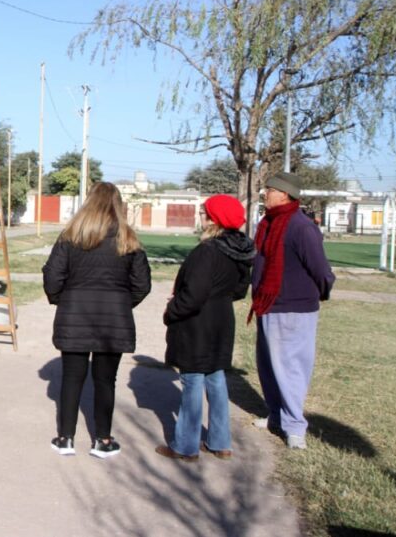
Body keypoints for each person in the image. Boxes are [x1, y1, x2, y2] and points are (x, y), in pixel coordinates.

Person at [42, 182, 152, 458]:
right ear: (118, 204)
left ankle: (65, 438)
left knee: (71, 378)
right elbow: (142, 284)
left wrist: (61, 299)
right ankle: (102, 440)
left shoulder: (70, 235)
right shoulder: (128, 238)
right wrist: (124, 304)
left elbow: (52, 276)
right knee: (106, 380)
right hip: (113, 320)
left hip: (74, 314)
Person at [156, 195, 255, 462]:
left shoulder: (208, 251)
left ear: (214, 219)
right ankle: (220, 442)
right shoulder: (241, 249)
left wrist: (172, 310)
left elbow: (194, 294)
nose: (201, 216)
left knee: (192, 380)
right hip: (222, 318)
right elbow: (239, 289)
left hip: (198, 321)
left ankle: (185, 446)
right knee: (215, 377)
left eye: (204, 213)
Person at [251, 171, 335, 449]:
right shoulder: (267, 223)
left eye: (269, 190)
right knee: (269, 367)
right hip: (267, 304)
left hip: (294, 309)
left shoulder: (301, 227)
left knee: (291, 368)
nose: (265, 194)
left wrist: (320, 292)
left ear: (284, 194)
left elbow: (321, 270)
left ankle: (294, 426)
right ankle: (276, 415)